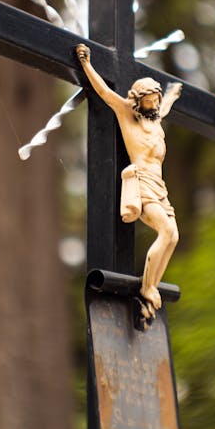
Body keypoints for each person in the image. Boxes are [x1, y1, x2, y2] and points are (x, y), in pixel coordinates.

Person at [76, 43, 182, 318]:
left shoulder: (156, 119)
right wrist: (87, 64)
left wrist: (172, 94)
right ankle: (147, 287)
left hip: (161, 188)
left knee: (174, 236)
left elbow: (166, 107)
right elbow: (104, 92)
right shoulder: (127, 114)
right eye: (150, 98)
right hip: (142, 182)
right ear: (138, 99)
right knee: (166, 233)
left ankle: (152, 287)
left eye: (157, 98)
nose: (155, 102)